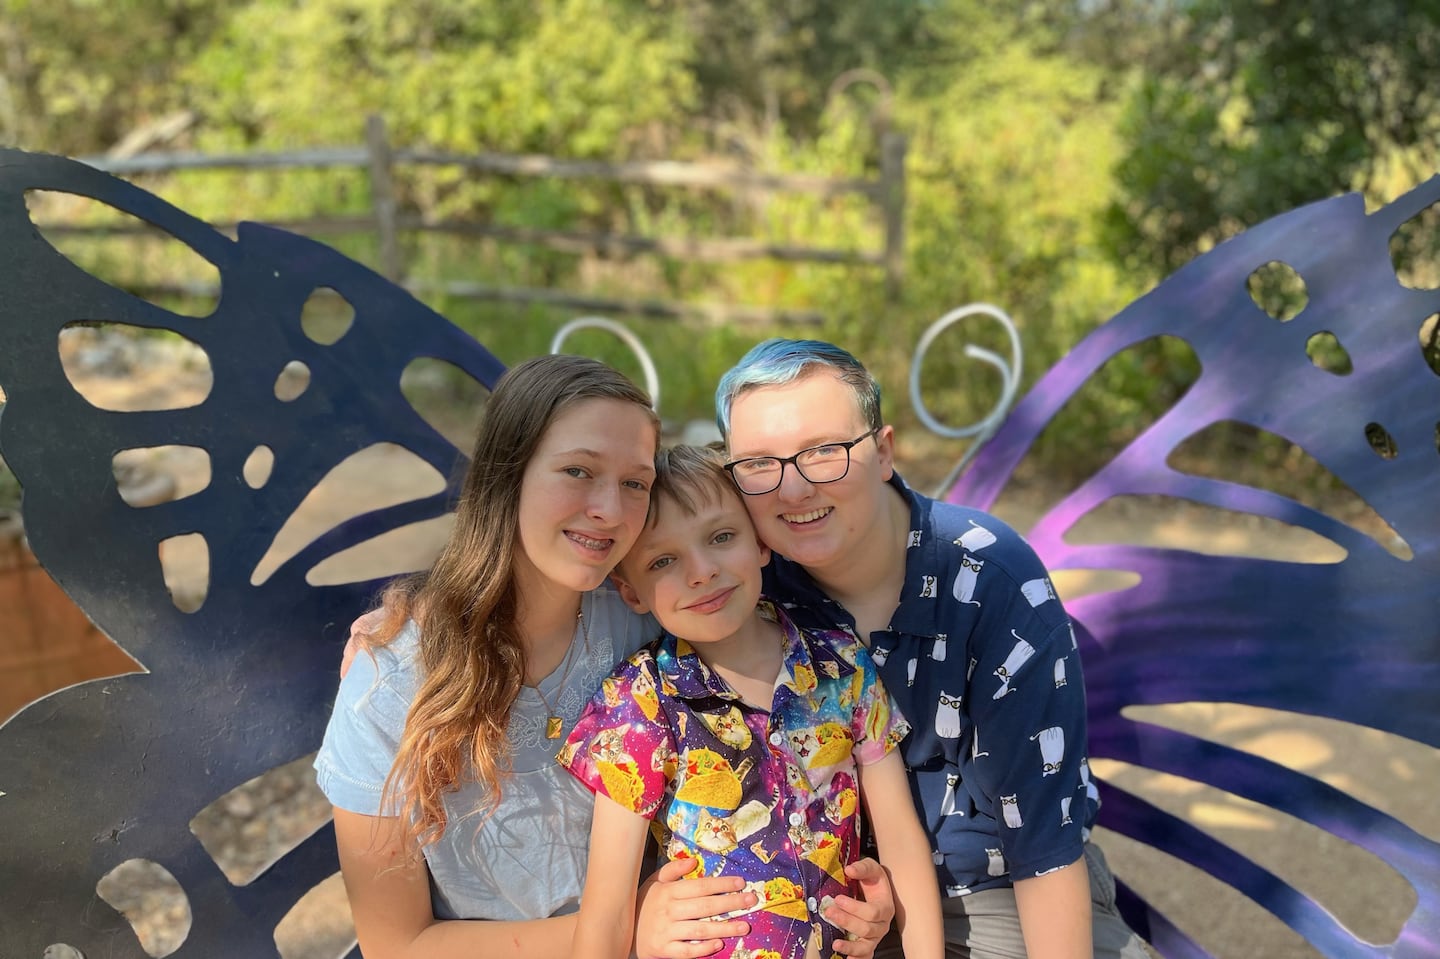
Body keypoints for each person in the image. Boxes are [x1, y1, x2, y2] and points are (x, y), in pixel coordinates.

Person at [317, 353, 894, 959]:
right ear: (505, 475)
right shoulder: (390, 682)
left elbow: (761, 574)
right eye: (576, 471)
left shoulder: (647, 613)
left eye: (635, 483)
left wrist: (864, 896)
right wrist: (625, 928)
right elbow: (395, 945)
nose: (612, 511)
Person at [714, 339, 1151, 959]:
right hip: (819, 904)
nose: (794, 489)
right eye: (759, 464)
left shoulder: (988, 578)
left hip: (996, 892)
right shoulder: (739, 586)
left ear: (884, 451)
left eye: (823, 452)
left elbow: (1043, 846)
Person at [560, 444, 943, 959]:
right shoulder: (639, 701)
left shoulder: (842, 666)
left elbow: (900, 837)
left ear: (761, 542)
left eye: (721, 537)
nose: (701, 571)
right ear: (632, 593)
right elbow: (606, 914)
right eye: (663, 559)